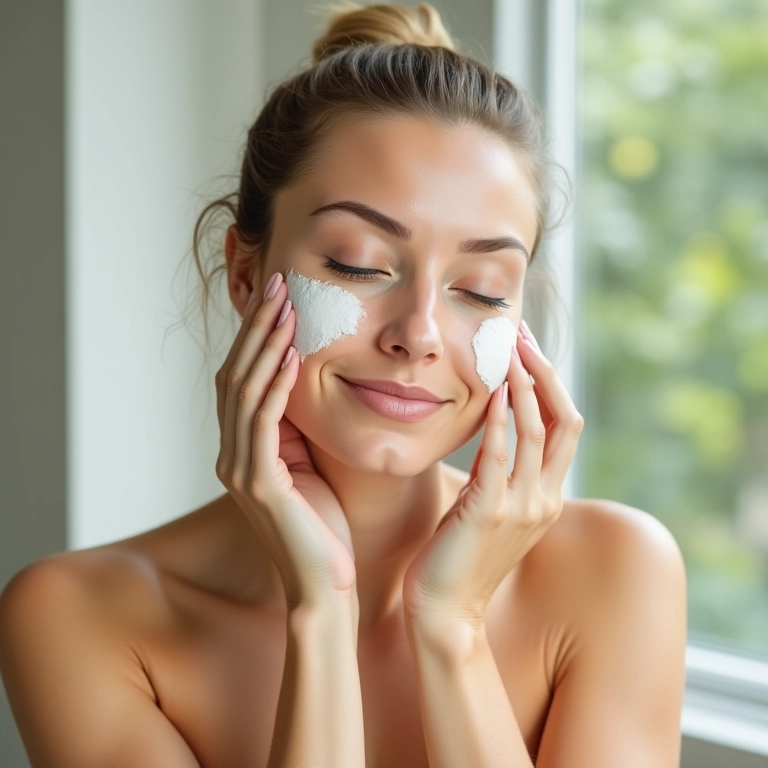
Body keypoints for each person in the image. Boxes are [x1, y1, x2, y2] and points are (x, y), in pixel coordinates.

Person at [0, 3, 687, 766]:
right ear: (244, 272)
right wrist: (320, 614)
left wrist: (453, 628)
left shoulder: (618, 573)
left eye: (484, 290)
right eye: (358, 264)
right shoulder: (77, 617)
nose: (418, 333)